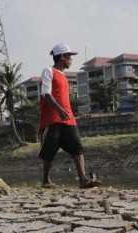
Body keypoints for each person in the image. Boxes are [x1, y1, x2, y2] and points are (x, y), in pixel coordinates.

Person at [39, 43, 100, 188]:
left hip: (68, 119)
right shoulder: (49, 71)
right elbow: (46, 93)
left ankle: (83, 179)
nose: (71, 60)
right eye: (69, 57)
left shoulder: (65, 77)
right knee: (49, 150)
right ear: (61, 57)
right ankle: (46, 180)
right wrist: (59, 110)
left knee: (77, 147)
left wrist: (68, 113)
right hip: (54, 119)